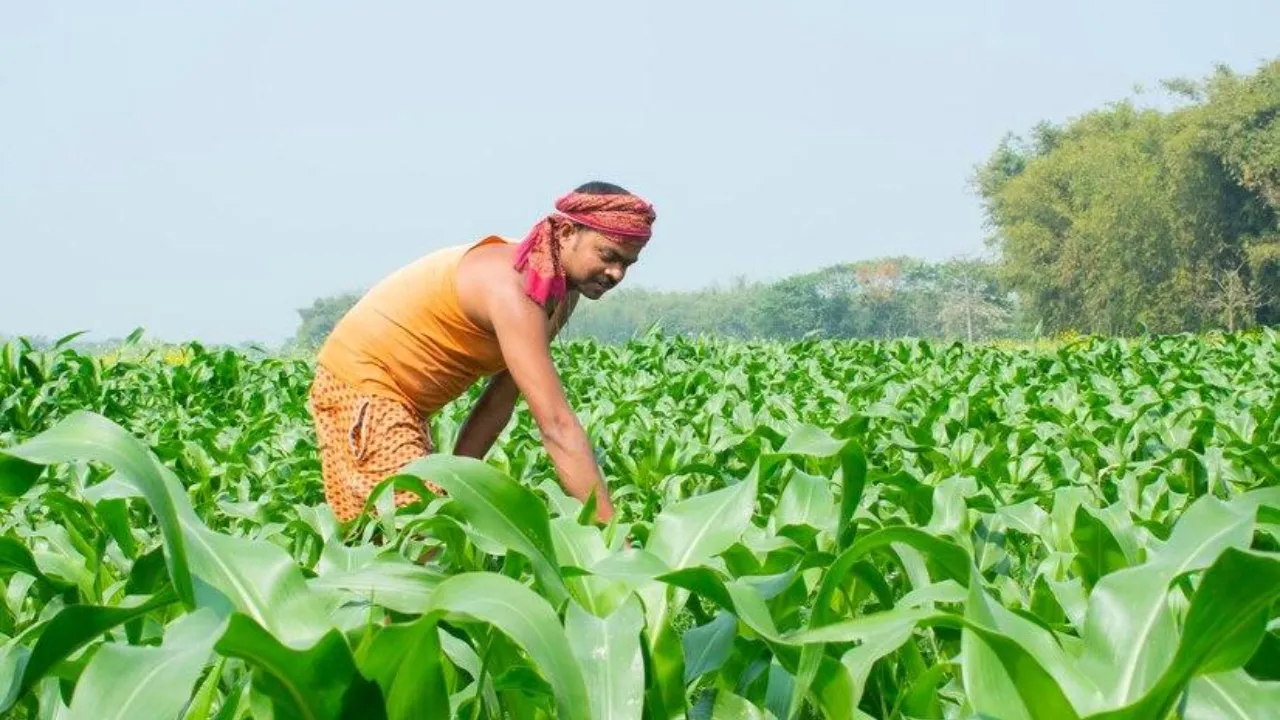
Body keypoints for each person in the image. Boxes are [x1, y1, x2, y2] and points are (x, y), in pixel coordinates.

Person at [307, 181, 655, 526]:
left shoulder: (559, 292)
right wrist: (612, 539)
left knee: (431, 522)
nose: (616, 274)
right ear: (566, 233)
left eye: (627, 264)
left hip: (405, 404)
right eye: (608, 255)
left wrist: (457, 486)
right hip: (364, 390)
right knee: (418, 529)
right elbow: (556, 426)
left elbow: (499, 400)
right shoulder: (513, 289)